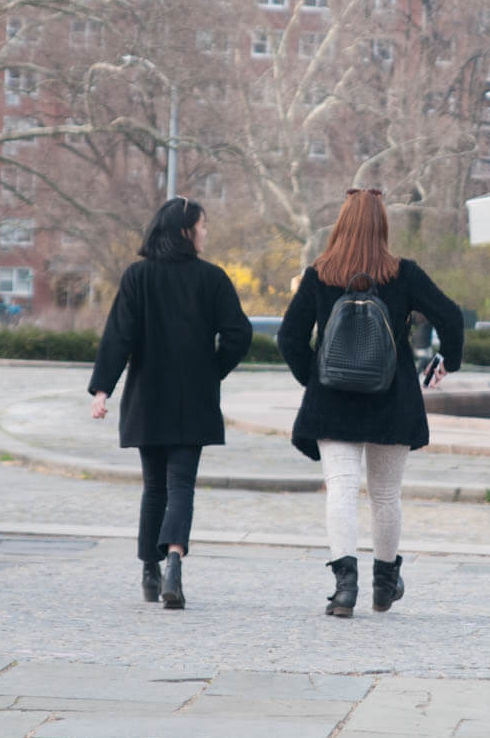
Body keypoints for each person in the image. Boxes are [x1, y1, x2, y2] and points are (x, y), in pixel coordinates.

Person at [278, 188, 464, 617]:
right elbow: (450, 317)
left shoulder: (319, 274)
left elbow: (288, 337)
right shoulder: (404, 275)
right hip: (392, 399)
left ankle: (345, 588)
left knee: (341, 488)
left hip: (334, 402)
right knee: (385, 495)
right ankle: (384, 584)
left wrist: (317, 379)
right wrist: (445, 361)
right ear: (383, 226)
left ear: (341, 223)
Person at [88, 198, 252, 610]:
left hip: (148, 395)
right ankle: (174, 558)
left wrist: (103, 390)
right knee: (181, 484)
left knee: (154, 487)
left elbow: (119, 336)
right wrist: (214, 369)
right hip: (193, 396)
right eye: (203, 225)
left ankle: (149, 568)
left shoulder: (137, 276)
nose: (205, 232)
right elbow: (239, 334)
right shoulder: (212, 279)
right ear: (185, 231)